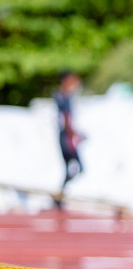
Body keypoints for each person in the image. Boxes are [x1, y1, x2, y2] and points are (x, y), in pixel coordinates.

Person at [54, 71, 85, 204]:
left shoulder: (60, 95)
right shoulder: (64, 97)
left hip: (65, 135)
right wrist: (73, 134)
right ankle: (60, 193)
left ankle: (61, 193)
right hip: (66, 137)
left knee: (72, 167)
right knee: (78, 167)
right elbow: (66, 118)